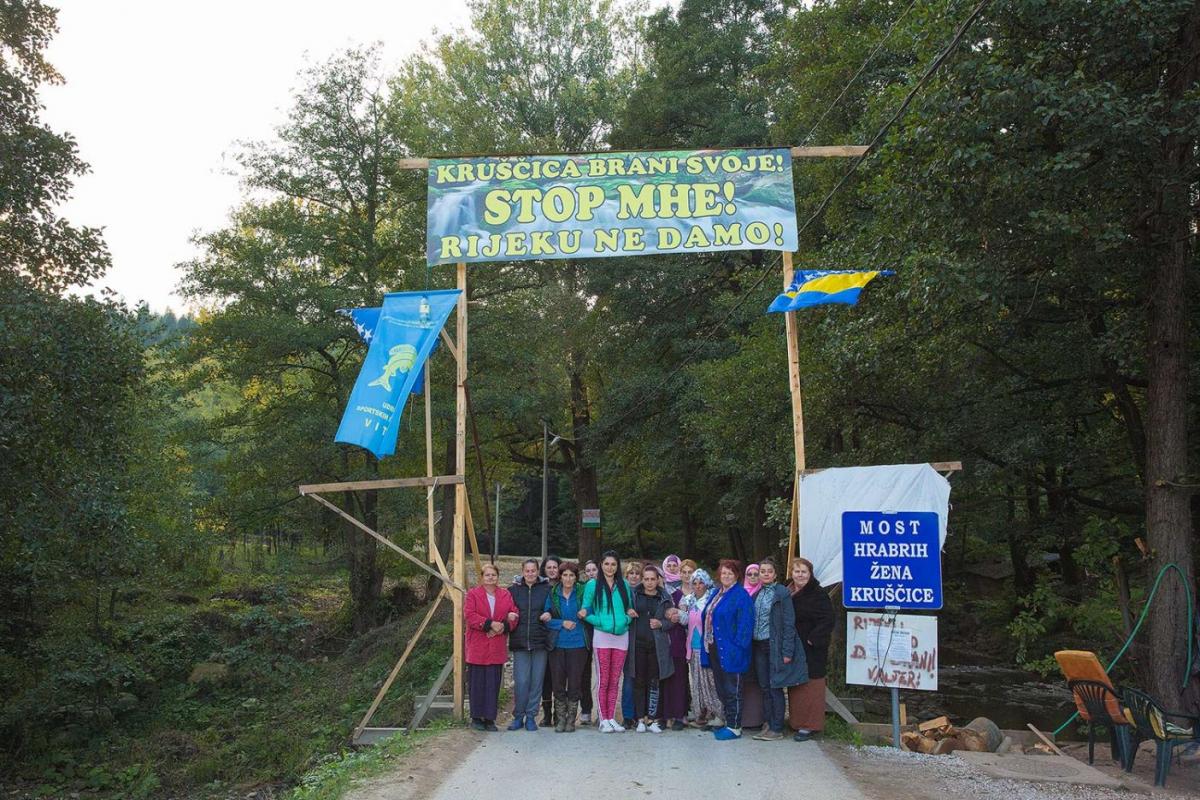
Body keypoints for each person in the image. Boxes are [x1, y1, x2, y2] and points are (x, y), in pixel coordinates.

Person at [750, 558, 808, 741]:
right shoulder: (757, 594)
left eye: (769, 571)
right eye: (762, 571)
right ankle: (767, 723)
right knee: (764, 687)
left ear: (775, 575)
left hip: (773, 645)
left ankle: (776, 727)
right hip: (758, 645)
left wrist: (787, 651)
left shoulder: (781, 593)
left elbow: (789, 623)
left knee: (775, 686)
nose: (765, 574)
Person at [579, 550, 634, 733]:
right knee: (603, 679)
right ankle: (603, 718)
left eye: (613, 564)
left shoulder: (624, 585)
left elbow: (629, 610)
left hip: (621, 637)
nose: (610, 567)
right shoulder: (593, 585)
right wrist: (600, 622)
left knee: (615, 679)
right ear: (601, 565)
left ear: (618, 566)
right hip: (602, 637)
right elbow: (585, 611)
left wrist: (626, 621)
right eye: (606, 564)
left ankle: (611, 717)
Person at [703, 559, 754, 740]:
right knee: (722, 688)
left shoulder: (741, 595)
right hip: (716, 647)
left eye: (730, 573)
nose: (726, 576)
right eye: (723, 573)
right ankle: (728, 722)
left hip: (733, 650)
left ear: (737, 575)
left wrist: (738, 647)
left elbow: (746, 626)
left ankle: (735, 726)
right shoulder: (717, 593)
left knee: (733, 689)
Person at [464, 563, 516, 731]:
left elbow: (514, 614)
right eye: (487, 575)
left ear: (497, 577)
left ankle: (490, 718)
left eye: (493, 575)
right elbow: (470, 615)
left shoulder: (505, 594)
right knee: (477, 683)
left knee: (492, 684)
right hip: (478, 645)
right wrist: (489, 624)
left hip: (496, 646)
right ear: (482, 577)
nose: (491, 578)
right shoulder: (473, 594)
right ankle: (476, 717)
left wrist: (503, 626)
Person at [788, 557, 834, 741]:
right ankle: (796, 722)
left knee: (811, 686)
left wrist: (813, 639)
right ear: (791, 573)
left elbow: (828, 619)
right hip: (793, 646)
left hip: (811, 648)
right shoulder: (788, 591)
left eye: (803, 572)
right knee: (796, 685)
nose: (800, 575)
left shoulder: (817, 593)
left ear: (810, 574)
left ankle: (810, 725)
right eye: (797, 571)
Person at [628, 564, 676, 732]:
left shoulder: (665, 598)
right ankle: (640, 719)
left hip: (657, 646)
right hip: (637, 645)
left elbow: (673, 620)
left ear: (658, 580)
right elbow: (623, 611)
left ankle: (653, 719)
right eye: (646, 579)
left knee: (655, 682)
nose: (649, 582)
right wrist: (628, 612)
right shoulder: (633, 595)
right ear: (642, 580)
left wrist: (661, 623)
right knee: (639, 681)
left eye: (652, 579)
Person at [541, 561, 586, 732]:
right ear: (560, 577)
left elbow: (589, 611)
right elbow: (546, 620)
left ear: (576, 578)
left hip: (578, 644)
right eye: (565, 575)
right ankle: (560, 719)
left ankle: (571, 720)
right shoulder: (553, 594)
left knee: (574, 683)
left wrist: (585, 612)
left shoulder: (581, 594)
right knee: (558, 683)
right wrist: (561, 623)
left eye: (571, 575)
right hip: (558, 645)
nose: (568, 579)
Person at [508, 558, 551, 731]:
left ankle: (531, 716)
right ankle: (518, 716)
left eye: (533, 570)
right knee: (521, 681)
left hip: (540, 640)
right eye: (527, 571)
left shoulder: (547, 589)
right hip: (519, 641)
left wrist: (548, 613)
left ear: (538, 571)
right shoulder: (513, 590)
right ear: (522, 571)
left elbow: (553, 608)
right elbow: (506, 610)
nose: (530, 574)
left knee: (536, 681)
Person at [683, 569, 723, 729]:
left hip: (706, 648)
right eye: (694, 583)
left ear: (706, 584)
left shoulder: (711, 600)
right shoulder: (689, 601)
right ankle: (701, 713)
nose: (698, 586)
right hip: (693, 648)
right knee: (697, 683)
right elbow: (686, 621)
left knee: (709, 682)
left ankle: (718, 713)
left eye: (701, 582)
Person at [660, 572, 690, 730]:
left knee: (678, 679)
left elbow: (687, 617)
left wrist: (677, 613)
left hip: (677, 642)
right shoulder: (645, 595)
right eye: (649, 578)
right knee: (662, 681)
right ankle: (663, 715)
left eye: (657, 578)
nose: (654, 581)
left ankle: (679, 714)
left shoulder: (676, 594)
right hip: (657, 644)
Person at [538, 555, 562, 725]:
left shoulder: (565, 587)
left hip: (560, 636)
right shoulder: (540, 587)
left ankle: (559, 712)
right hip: (543, 636)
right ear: (544, 569)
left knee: (559, 677)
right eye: (549, 567)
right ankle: (547, 713)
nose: (552, 570)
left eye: (555, 567)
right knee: (545, 678)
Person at [620, 560, 643, 726]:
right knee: (628, 678)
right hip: (624, 638)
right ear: (626, 576)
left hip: (641, 640)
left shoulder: (645, 591)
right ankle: (628, 715)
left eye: (637, 574)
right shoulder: (621, 591)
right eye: (631, 574)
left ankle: (640, 713)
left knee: (640, 679)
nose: (634, 577)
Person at [579, 559, 598, 725]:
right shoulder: (581, 589)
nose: (591, 573)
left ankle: (603, 711)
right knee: (584, 672)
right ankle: (586, 710)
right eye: (588, 570)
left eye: (594, 569)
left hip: (601, 631)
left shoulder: (607, 588)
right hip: (585, 633)